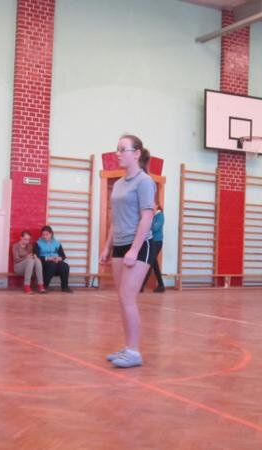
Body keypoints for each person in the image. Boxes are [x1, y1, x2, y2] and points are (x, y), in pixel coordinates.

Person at [100, 134, 157, 368]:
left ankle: (134, 352)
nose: (118, 153)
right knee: (122, 299)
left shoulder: (144, 182)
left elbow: (147, 216)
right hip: (120, 244)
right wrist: (107, 246)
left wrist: (134, 250)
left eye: (122, 149)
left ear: (136, 153)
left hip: (140, 244)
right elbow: (115, 219)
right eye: (117, 149)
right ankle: (128, 346)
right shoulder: (119, 184)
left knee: (127, 297)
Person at [34, 225, 72, 293]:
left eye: (47, 234)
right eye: (43, 235)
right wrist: (48, 258)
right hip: (44, 263)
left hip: (56, 262)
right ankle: (44, 286)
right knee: (52, 265)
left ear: (51, 234)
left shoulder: (57, 243)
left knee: (65, 266)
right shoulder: (38, 243)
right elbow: (36, 256)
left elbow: (63, 256)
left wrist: (59, 258)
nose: (45, 236)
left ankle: (65, 287)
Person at [141, 204, 165, 293]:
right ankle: (161, 285)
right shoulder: (154, 216)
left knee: (150, 264)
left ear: (157, 206)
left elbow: (155, 228)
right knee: (154, 264)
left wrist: (148, 221)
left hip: (157, 242)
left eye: (153, 205)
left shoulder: (160, 215)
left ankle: (141, 286)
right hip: (152, 242)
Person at [13, 230, 45, 294]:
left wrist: (34, 256)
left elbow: (32, 258)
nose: (27, 241)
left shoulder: (29, 246)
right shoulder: (16, 246)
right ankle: (26, 286)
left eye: (28, 240)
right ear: (21, 238)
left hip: (29, 268)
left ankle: (40, 285)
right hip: (18, 267)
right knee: (30, 259)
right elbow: (16, 259)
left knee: (37, 260)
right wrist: (26, 257)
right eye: (25, 239)